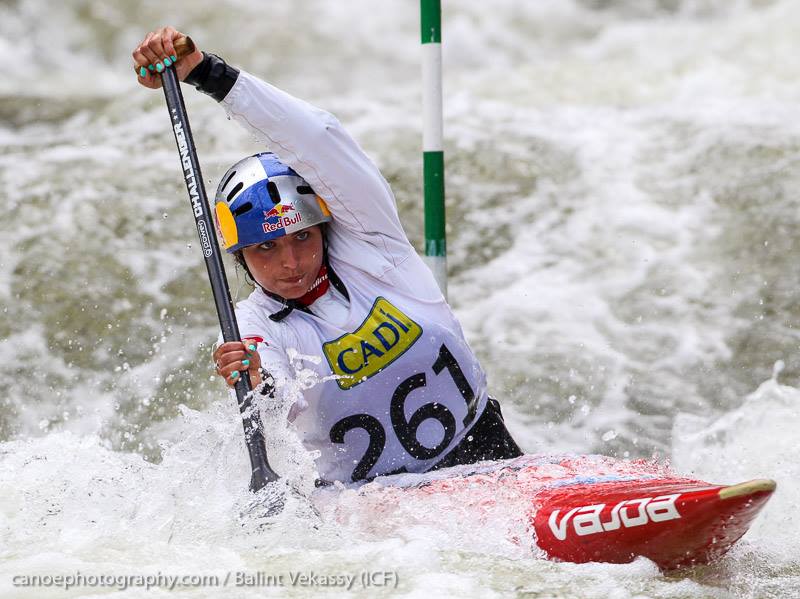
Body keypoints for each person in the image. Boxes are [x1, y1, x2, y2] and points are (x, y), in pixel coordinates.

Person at [133, 26, 522, 484]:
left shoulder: (376, 246)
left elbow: (318, 137)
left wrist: (206, 73)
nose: (291, 263)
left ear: (323, 226)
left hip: (486, 456)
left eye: (302, 237)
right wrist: (256, 382)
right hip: (372, 507)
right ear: (239, 256)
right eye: (265, 248)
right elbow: (278, 403)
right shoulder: (251, 327)